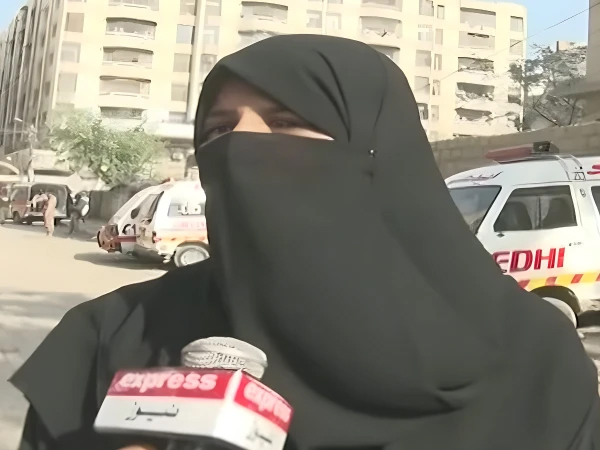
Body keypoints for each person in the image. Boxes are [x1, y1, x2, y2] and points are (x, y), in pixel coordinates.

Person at [9, 35, 600, 450]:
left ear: (380, 156)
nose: (240, 150)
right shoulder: (108, 339)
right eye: (218, 130)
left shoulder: (534, 360)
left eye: (287, 122)